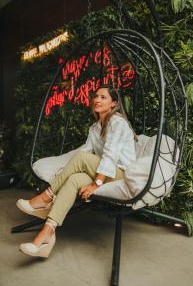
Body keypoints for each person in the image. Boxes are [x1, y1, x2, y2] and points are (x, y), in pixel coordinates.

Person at [16, 84, 137, 258]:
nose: (97, 100)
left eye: (103, 97)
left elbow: (109, 156)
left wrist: (96, 184)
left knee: (81, 158)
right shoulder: (95, 127)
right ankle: (46, 235)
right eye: (96, 96)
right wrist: (61, 170)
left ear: (114, 103)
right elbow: (87, 151)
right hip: (105, 172)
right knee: (74, 179)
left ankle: (45, 197)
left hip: (120, 174)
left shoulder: (117, 122)